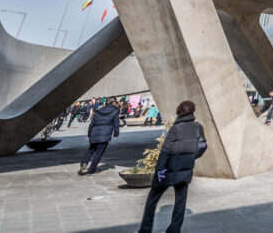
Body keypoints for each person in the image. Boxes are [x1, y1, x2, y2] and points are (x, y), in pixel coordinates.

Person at [137, 100, 207, 233]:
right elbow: (203, 146)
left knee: (152, 199)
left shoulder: (175, 128)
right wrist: (191, 157)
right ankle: (174, 230)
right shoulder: (198, 127)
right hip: (185, 170)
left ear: (179, 112)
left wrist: (159, 170)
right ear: (192, 111)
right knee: (180, 202)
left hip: (167, 170)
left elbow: (165, 150)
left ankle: (145, 229)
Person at [79, 97, 121, 175]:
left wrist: (89, 134)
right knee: (98, 153)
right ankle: (91, 170)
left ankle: (84, 163)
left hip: (95, 134)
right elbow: (116, 123)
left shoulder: (98, 111)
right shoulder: (115, 111)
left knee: (90, 150)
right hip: (105, 135)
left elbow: (91, 124)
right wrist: (116, 134)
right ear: (113, 103)